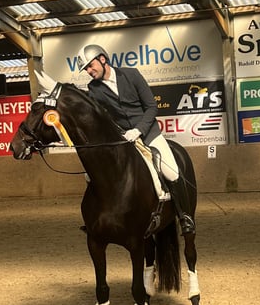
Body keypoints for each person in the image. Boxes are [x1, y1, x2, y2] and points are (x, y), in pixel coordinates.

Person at [75, 43, 195, 234]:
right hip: (123, 139)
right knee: (92, 175)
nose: (89, 71)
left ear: (102, 59)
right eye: (86, 69)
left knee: (172, 172)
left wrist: (138, 130)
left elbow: (151, 107)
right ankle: (97, 218)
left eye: (90, 66)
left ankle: (184, 217)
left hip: (149, 133)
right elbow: (101, 118)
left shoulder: (131, 74)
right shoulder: (94, 89)